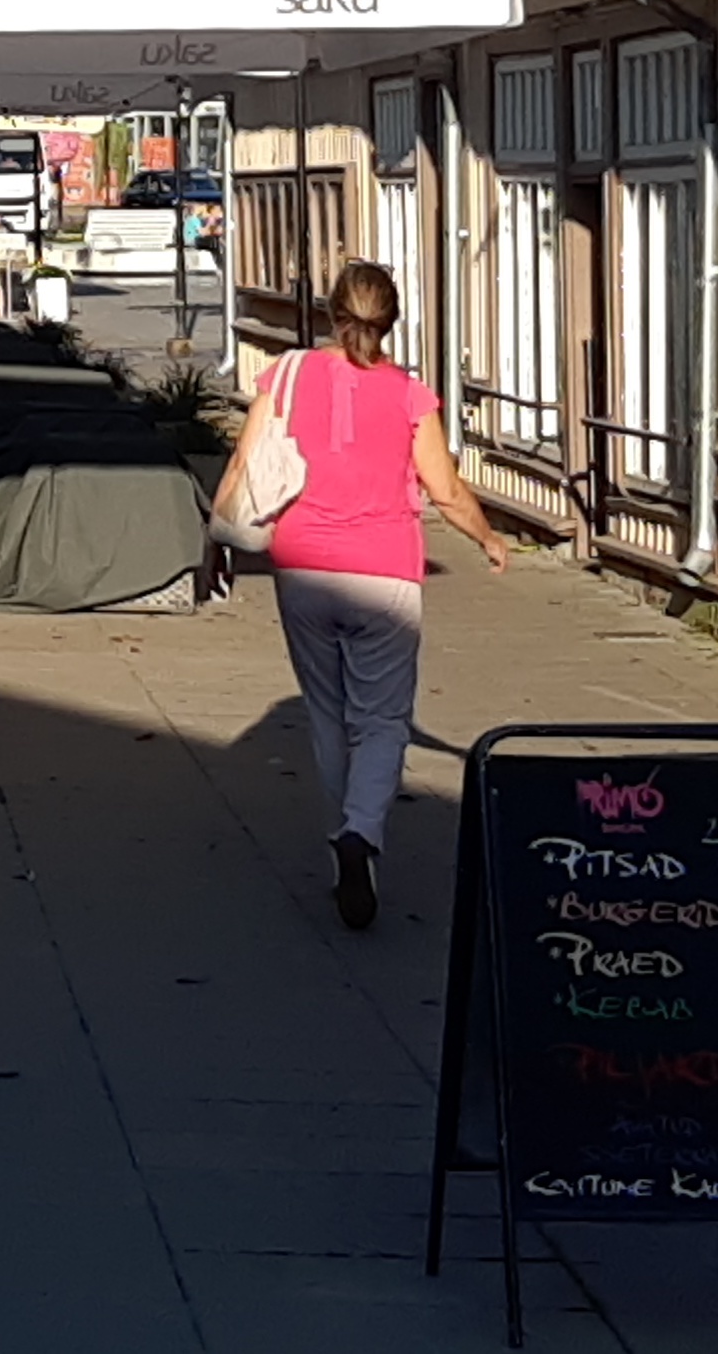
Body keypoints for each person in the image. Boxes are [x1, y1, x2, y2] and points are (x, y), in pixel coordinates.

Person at [214, 257, 507, 931]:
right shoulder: (409, 394)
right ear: (392, 321)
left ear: (330, 313)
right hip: (384, 571)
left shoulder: (286, 376)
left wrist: (215, 542)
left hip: (302, 565)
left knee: (326, 710)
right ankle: (361, 834)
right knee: (380, 718)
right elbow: (445, 489)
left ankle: (339, 841)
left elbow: (243, 462)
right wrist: (488, 538)